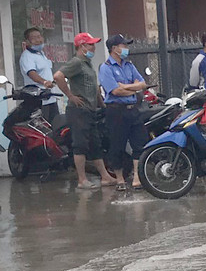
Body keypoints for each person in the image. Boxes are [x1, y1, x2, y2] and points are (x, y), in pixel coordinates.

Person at [53, 33, 115, 189]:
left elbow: (93, 89)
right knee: (80, 145)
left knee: (95, 144)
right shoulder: (77, 62)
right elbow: (58, 76)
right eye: (90, 45)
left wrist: (102, 105)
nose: (93, 47)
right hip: (78, 111)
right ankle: (82, 180)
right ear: (81, 46)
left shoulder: (87, 64)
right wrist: (70, 96)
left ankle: (105, 177)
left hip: (90, 110)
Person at [98, 34, 149, 189]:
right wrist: (131, 88)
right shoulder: (106, 68)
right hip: (116, 111)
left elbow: (142, 84)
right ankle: (120, 179)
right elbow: (115, 91)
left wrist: (126, 87)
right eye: (123, 45)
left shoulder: (129, 65)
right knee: (117, 145)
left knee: (140, 143)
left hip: (133, 109)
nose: (126, 48)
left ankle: (137, 178)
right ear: (114, 49)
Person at [18, 27, 59, 123]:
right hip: (38, 100)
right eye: (34, 38)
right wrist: (44, 82)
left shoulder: (41, 54)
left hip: (50, 98)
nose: (38, 40)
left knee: (56, 127)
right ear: (27, 41)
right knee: (45, 128)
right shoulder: (27, 56)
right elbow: (31, 73)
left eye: (39, 37)